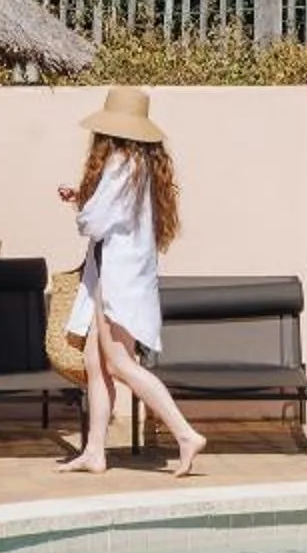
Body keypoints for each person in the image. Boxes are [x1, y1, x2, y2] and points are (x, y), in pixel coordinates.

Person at [55, 87, 207, 478]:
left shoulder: (121, 162)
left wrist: (82, 210)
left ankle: (185, 433)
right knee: (95, 361)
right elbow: (115, 212)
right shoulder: (140, 163)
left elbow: (96, 221)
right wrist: (85, 199)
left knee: (120, 364)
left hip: (117, 277)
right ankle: (94, 451)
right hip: (128, 274)